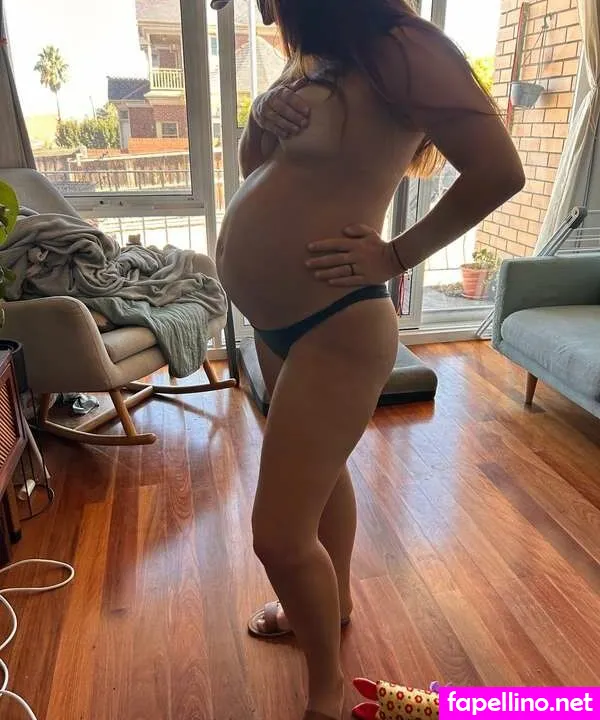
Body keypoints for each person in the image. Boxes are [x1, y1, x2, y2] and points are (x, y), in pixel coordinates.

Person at [213, 1, 525, 718]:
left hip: (339, 323)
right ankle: (338, 601)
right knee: (320, 480)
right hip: (276, 322)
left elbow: (500, 170)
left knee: (277, 537)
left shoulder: (404, 47)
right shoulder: (316, 57)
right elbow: (262, 169)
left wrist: (396, 255)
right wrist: (260, 117)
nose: (266, 8)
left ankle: (325, 693)